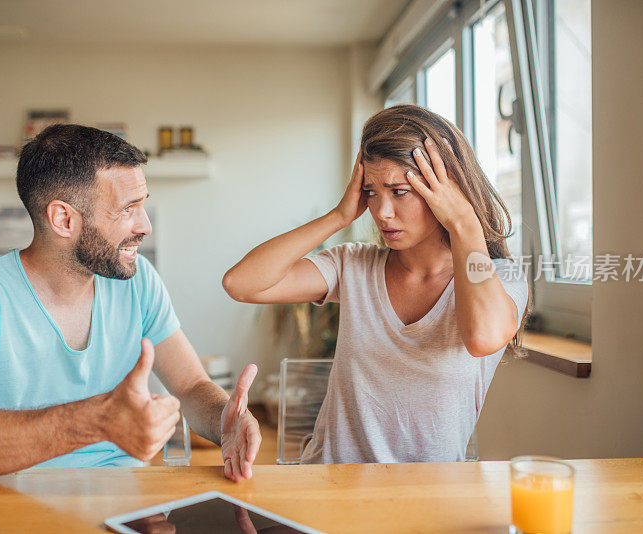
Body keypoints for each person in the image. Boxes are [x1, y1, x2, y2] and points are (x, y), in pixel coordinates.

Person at [0, 124, 261, 481]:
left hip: (125, 506)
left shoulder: (140, 280)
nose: (145, 226)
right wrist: (99, 419)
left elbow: (190, 386)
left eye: (143, 205)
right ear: (63, 219)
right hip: (7, 509)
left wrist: (225, 418)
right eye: (128, 209)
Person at [222, 105, 528, 464]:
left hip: (429, 499)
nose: (381, 212)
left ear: (446, 191)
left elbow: (483, 338)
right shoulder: (353, 265)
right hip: (329, 488)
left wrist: (465, 223)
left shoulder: (500, 278)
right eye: (371, 192)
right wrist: (338, 217)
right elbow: (240, 284)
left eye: (399, 191)